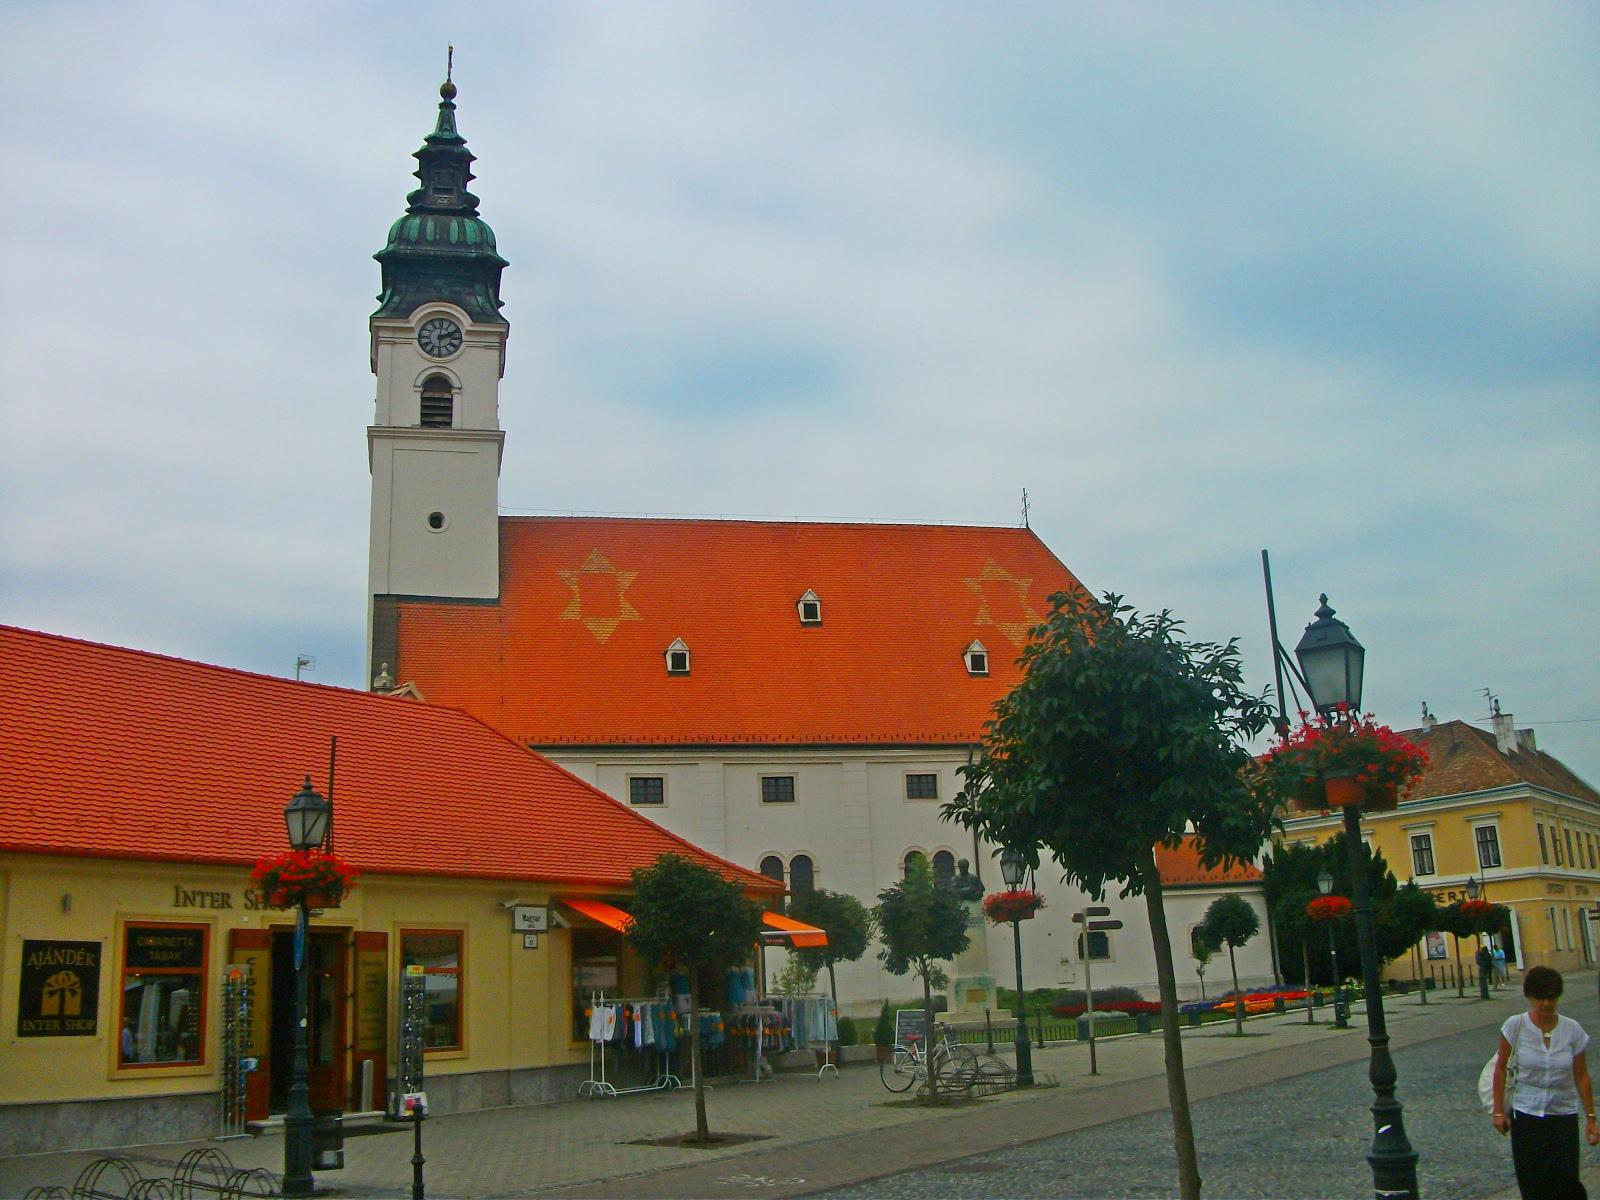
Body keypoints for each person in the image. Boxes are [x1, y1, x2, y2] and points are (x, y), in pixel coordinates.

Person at [1492, 965, 1599, 1198]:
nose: (1546, 1004)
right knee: (1533, 1182)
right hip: (1526, 1115)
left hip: (1562, 1115)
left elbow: (1581, 1076)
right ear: (1530, 997)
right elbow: (1500, 1069)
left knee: (1566, 1182)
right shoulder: (1515, 1026)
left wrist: (1591, 1118)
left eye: (1551, 998)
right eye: (1540, 998)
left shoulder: (1572, 1030)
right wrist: (1498, 1112)